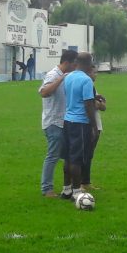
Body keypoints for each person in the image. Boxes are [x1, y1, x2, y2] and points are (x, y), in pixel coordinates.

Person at [38, 49, 78, 198]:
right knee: (53, 156)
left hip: (64, 121)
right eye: (74, 64)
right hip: (53, 122)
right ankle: (46, 189)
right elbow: (43, 92)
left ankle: (70, 187)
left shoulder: (66, 75)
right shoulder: (53, 75)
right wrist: (60, 80)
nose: (75, 67)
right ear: (67, 63)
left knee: (68, 156)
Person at [60, 52, 98, 201]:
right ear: (89, 63)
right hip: (80, 123)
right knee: (77, 159)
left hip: (67, 121)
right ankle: (77, 192)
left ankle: (66, 189)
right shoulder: (86, 80)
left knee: (68, 158)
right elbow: (88, 104)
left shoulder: (68, 77)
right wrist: (94, 126)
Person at [82, 66, 106, 191]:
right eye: (94, 72)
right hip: (91, 124)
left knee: (89, 154)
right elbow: (93, 104)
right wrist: (98, 103)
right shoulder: (86, 84)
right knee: (85, 153)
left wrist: (99, 103)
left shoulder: (91, 86)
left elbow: (102, 105)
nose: (96, 74)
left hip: (96, 124)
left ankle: (86, 182)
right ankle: (80, 183)